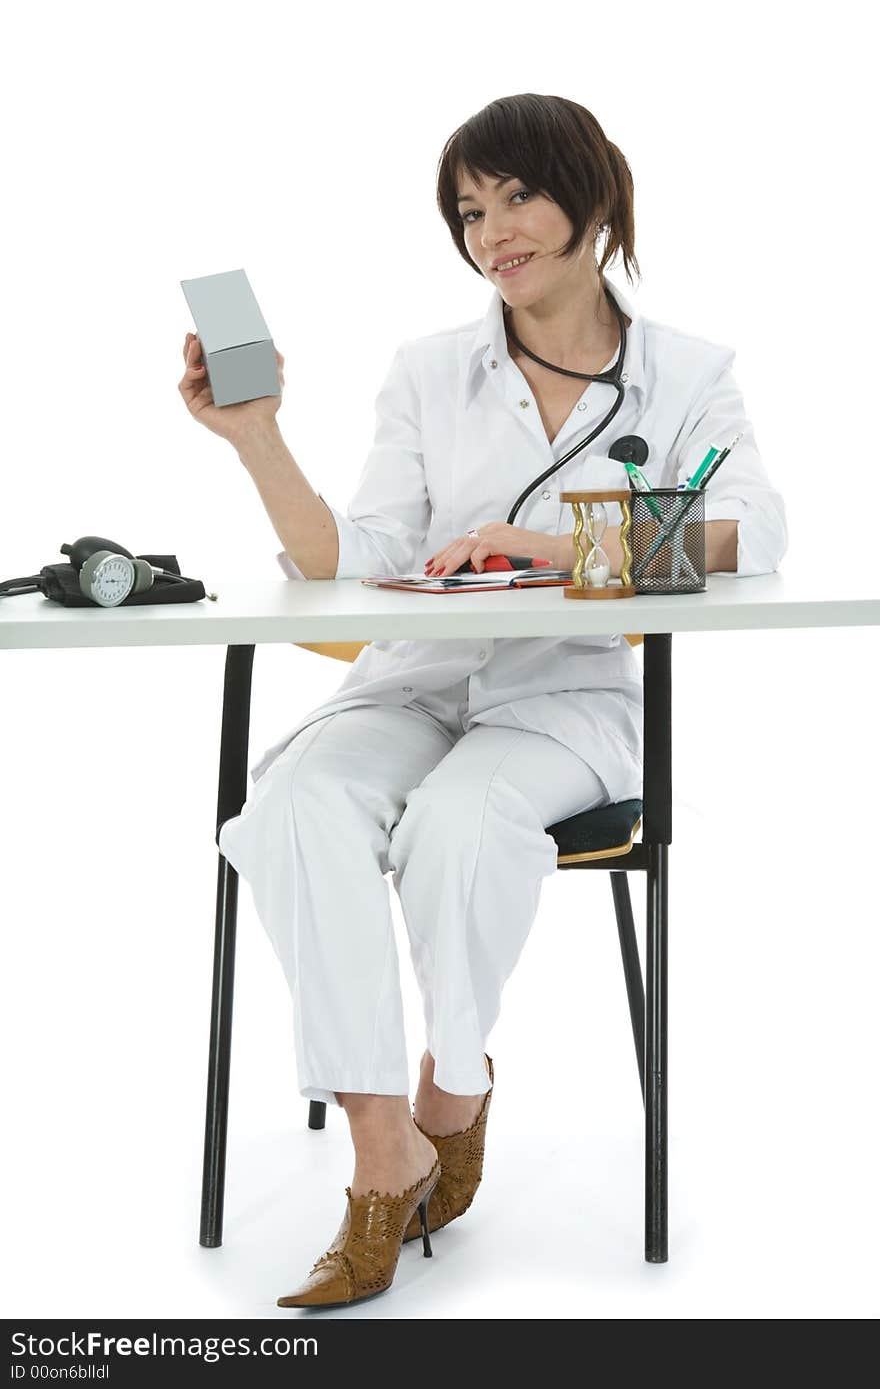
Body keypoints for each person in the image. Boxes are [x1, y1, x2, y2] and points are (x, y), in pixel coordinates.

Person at [177, 92, 787, 1310]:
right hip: (413, 677)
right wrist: (255, 440)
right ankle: (382, 1142)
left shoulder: (686, 375)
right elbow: (340, 559)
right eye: (468, 209)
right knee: (293, 801)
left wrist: (550, 550)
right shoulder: (426, 372)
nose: (491, 230)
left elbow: (755, 534)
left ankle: (452, 1091)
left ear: (592, 199)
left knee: (460, 827)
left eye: (516, 196)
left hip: (563, 702)